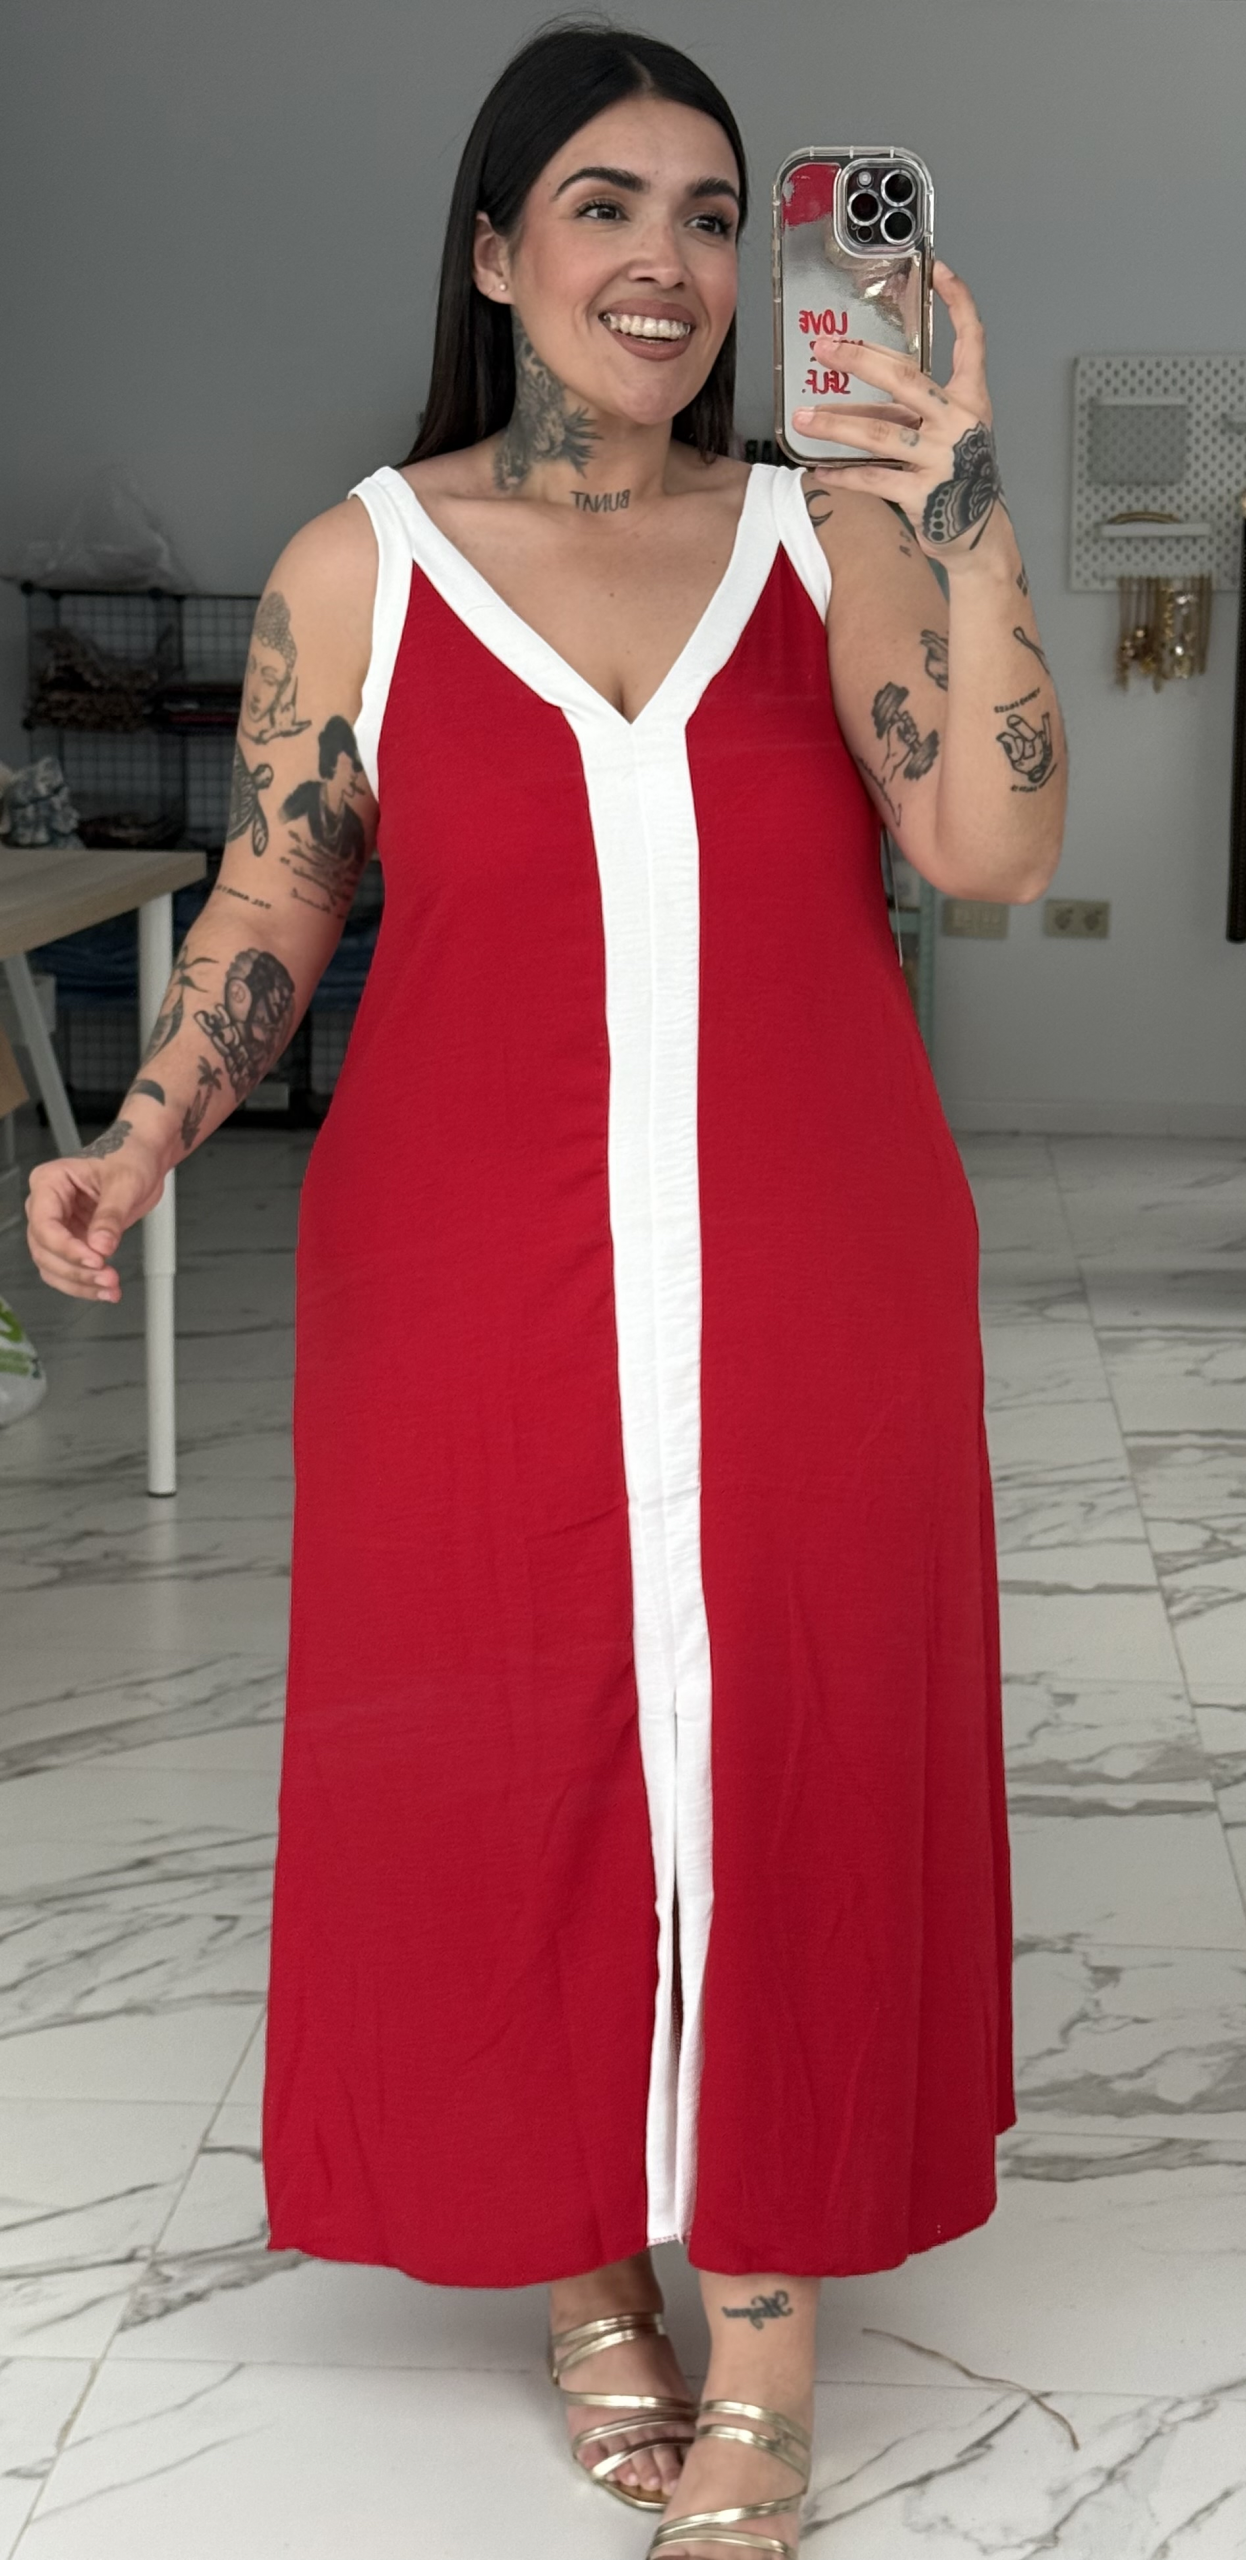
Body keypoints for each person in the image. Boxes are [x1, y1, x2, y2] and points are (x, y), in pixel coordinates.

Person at [24, 24, 1065, 2553]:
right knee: (510, 1740)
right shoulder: (357, 565)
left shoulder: (828, 539)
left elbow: (988, 844)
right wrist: (144, 1125)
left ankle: (767, 2325)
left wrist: (960, 504)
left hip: (819, 1243)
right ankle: (588, 2264)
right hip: (463, 1259)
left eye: (711, 212)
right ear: (494, 254)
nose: (666, 262)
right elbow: (277, 890)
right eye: (603, 206)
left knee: (803, 1728)